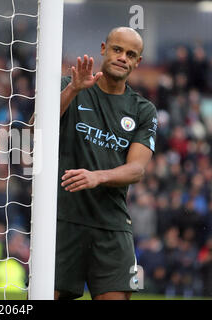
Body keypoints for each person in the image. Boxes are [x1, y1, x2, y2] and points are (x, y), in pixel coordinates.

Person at [55, 27, 157, 300]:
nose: (123, 57)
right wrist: (72, 90)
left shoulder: (143, 110)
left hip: (111, 225)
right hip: (63, 220)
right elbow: (33, 133)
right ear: (103, 49)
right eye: (117, 49)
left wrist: (97, 176)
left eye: (131, 54)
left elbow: (137, 169)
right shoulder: (70, 85)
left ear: (138, 62)